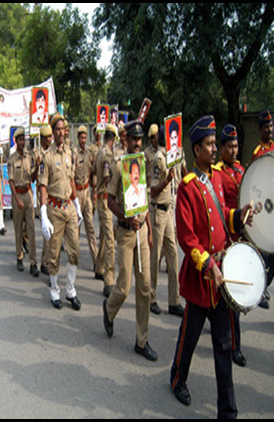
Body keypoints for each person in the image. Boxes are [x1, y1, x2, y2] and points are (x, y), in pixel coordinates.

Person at [169, 115, 253, 418]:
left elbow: (223, 215)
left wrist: (239, 215)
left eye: (215, 143)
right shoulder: (188, 188)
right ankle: (177, 379)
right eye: (209, 144)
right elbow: (187, 238)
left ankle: (227, 411)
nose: (215, 148)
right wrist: (208, 267)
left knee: (223, 346)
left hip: (223, 277)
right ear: (196, 149)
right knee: (188, 339)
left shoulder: (217, 177)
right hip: (200, 279)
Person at [103, 119, 157, 361]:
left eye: (140, 139)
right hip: (125, 232)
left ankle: (141, 340)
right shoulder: (119, 166)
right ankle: (109, 310)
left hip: (143, 232)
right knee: (124, 287)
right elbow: (109, 200)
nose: (137, 143)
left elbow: (146, 199)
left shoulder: (143, 165)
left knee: (145, 287)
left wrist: (149, 229)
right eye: (133, 138)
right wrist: (125, 216)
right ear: (125, 139)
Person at [39, 113, 83, 310]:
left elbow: (71, 179)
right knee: (54, 254)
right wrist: (43, 214)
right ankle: (55, 290)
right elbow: (42, 187)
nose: (60, 133)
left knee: (74, 250)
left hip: (69, 208)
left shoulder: (70, 153)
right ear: (53, 132)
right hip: (54, 209)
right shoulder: (46, 158)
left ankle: (71, 290)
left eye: (63, 129)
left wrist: (77, 203)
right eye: (56, 129)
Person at [216, 124, 247, 367]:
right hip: (225, 238)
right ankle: (234, 346)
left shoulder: (240, 170)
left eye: (236, 146)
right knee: (230, 295)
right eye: (229, 146)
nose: (234, 150)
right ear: (221, 148)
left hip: (241, 237)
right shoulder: (217, 173)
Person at [144, 124, 183, 317]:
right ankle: (151, 296)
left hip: (169, 211)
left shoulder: (173, 156)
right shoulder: (159, 159)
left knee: (173, 254)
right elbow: (152, 190)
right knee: (155, 256)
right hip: (158, 212)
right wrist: (167, 181)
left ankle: (174, 300)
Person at [251, 110, 274, 309]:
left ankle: (264, 285)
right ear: (260, 129)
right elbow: (255, 181)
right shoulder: (257, 153)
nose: (269, 129)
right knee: (263, 252)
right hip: (263, 207)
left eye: (271, 126)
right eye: (265, 127)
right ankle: (259, 289)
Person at [9, 127, 39, 276]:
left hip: (28, 194)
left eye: (24, 140)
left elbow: (32, 178)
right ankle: (19, 256)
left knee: (31, 229)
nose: (23, 142)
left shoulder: (29, 157)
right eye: (20, 140)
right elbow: (11, 182)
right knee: (18, 228)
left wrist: (37, 166)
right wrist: (16, 199)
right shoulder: (12, 159)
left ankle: (33, 262)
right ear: (16, 141)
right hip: (18, 196)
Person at [93, 124, 117, 296]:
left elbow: (93, 172)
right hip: (105, 199)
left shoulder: (99, 152)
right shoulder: (107, 154)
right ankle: (109, 280)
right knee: (109, 240)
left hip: (100, 198)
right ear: (113, 139)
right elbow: (108, 177)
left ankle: (99, 266)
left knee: (104, 235)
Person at [73, 125, 98, 269]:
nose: (83, 140)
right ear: (78, 138)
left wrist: (94, 191)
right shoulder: (74, 154)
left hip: (87, 191)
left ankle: (96, 261)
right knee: (76, 229)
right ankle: (74, 259)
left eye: (85, 137)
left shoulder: (89, 152)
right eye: (81, 138)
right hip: (77, 193)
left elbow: (92, 171)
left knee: (90, 227)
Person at [36, 125, 54, 275]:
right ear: (42, 138)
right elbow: (32, 174)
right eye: (47, 137)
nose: (50, 139)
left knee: (49, 229)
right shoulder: (37, 153)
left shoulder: (52, 152)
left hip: (51, 193)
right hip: (40, 193)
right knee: (46, 227)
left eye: (50, 136)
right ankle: (45, 262)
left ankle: (45, 260)